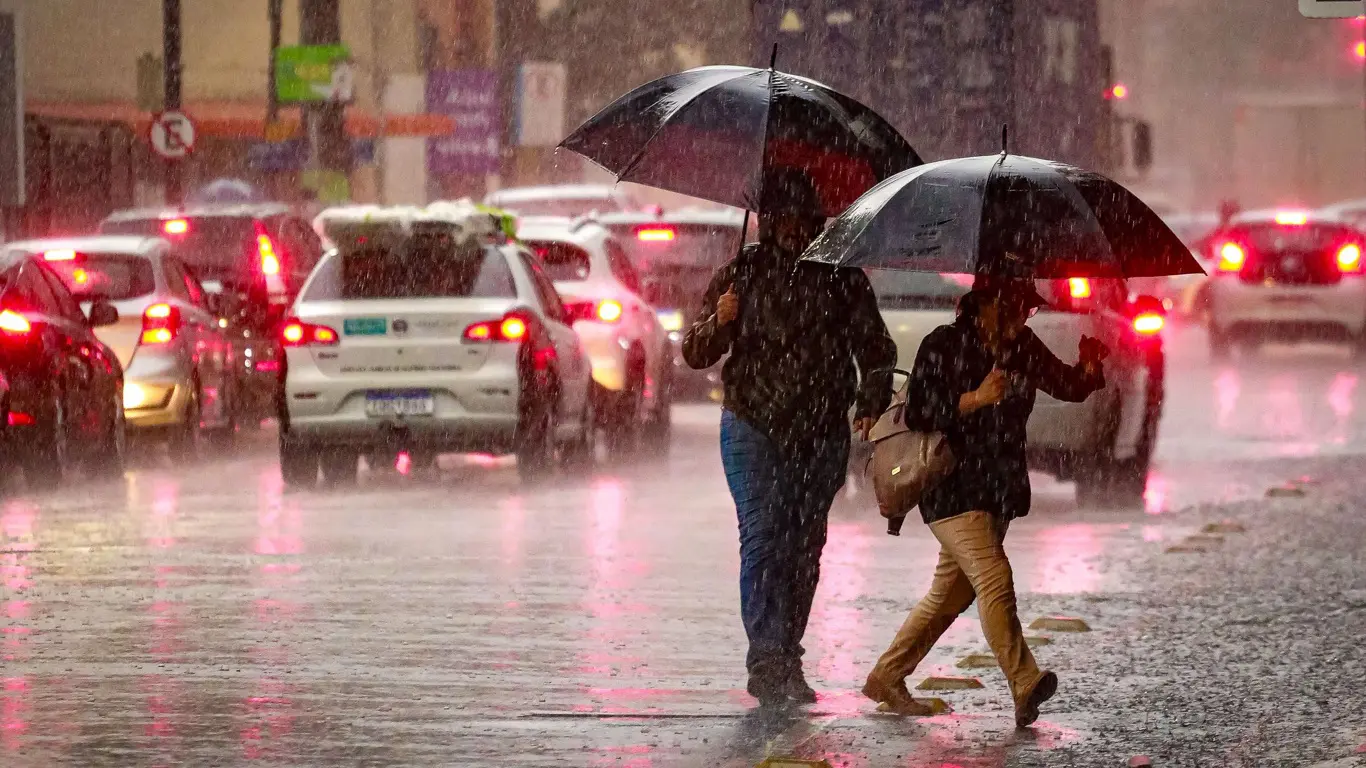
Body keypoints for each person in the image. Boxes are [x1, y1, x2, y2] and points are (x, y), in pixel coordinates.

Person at [682, 170, 897, 707]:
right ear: (769, 220)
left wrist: (869, 400)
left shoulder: (843, 278)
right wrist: (720, 321)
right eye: (784, 220)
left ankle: (787, 652)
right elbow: (694, 352)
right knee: (762, 536)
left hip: (821, 433)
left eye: (803, 220)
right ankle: (767, 657)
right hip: (752, 425)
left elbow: (876, 349)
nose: (794, 231)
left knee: (804, 547)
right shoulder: (742, 274)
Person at [861, 275, 1109, 728]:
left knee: (949, 596)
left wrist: (1089, 369)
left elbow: (1065, 384)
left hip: (997, 488)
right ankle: (1024, 681)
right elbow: (920, 411)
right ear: (986, 305)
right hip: (951, 487)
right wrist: (975, 399)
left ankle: (887, 674)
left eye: (1027, 312)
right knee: (995, 578)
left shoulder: (1022, 346)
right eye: (1015, 310)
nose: (1021, 320)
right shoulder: (944, 344)